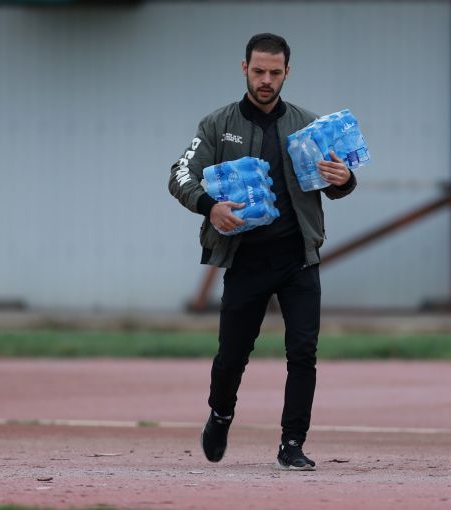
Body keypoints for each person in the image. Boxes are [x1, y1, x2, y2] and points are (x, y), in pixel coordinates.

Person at [168, 33, 356, 471]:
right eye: (258, 71)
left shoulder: (309, 125)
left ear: (287, 72)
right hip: (246, 260)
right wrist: (209, 206)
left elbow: (337, 184)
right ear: (244, 69)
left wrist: (344, 179)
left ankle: (292, 444)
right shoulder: (217, 124)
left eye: (274, 72)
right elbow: (179, 175)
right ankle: (220, 414)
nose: (266, 80)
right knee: (232, 356)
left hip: (298, 259)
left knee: (303, 353)